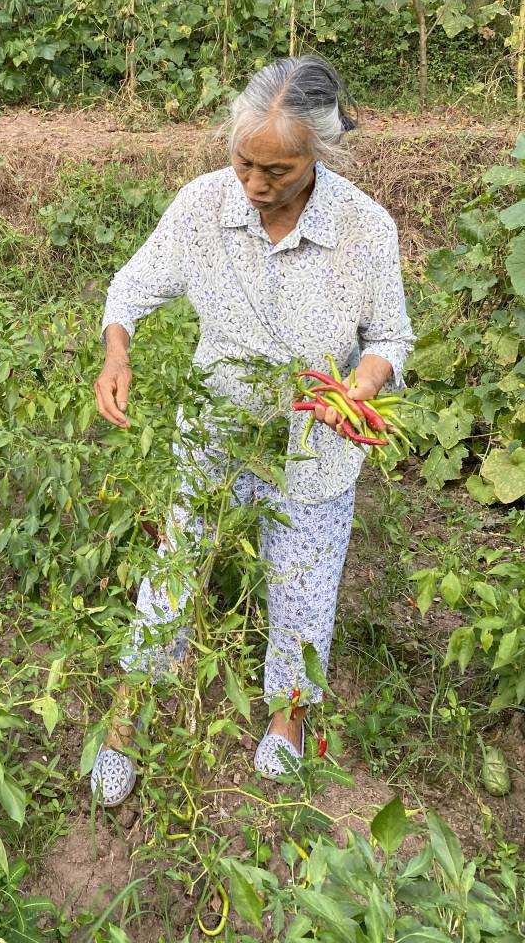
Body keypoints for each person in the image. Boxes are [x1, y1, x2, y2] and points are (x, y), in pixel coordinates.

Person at [90, 55, 414, 805]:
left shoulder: (365, 228)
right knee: (174, 575)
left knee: (303, 588)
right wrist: (117, 350)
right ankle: (127, 717)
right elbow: (131, 286)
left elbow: (390, 338)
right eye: (244, 162)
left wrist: (360, 386)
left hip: (311, 447)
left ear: (321, 155)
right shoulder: (204, 206)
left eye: (279, 169)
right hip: (216, 430)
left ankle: (287, 720)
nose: (256, 184)